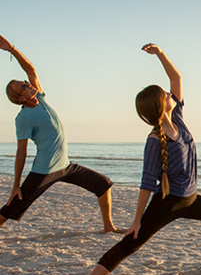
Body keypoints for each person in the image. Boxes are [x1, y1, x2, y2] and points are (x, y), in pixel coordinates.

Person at [79, 43, 201, 275]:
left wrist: (160, 55)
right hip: (167, 202)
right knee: (130, 244)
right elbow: (147, 182)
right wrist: (137, 219)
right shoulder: (155, 140)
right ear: (159, 104)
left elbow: (176, 77)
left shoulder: (177, 116)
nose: (170, 94)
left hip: (191, 199)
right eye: (165, 95)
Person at [0, 34, 121, 233]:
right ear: (20, 98)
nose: (27, 83)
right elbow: (21, 152)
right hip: (44, 170)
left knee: (103, 184)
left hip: (65, 165)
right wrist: (16, 184)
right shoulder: (23, 119)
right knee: (10, 209)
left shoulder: (39, 97)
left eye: (24, 82)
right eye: (23, 86)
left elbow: (30, 69)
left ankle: (108, 227)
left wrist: (11, 49)